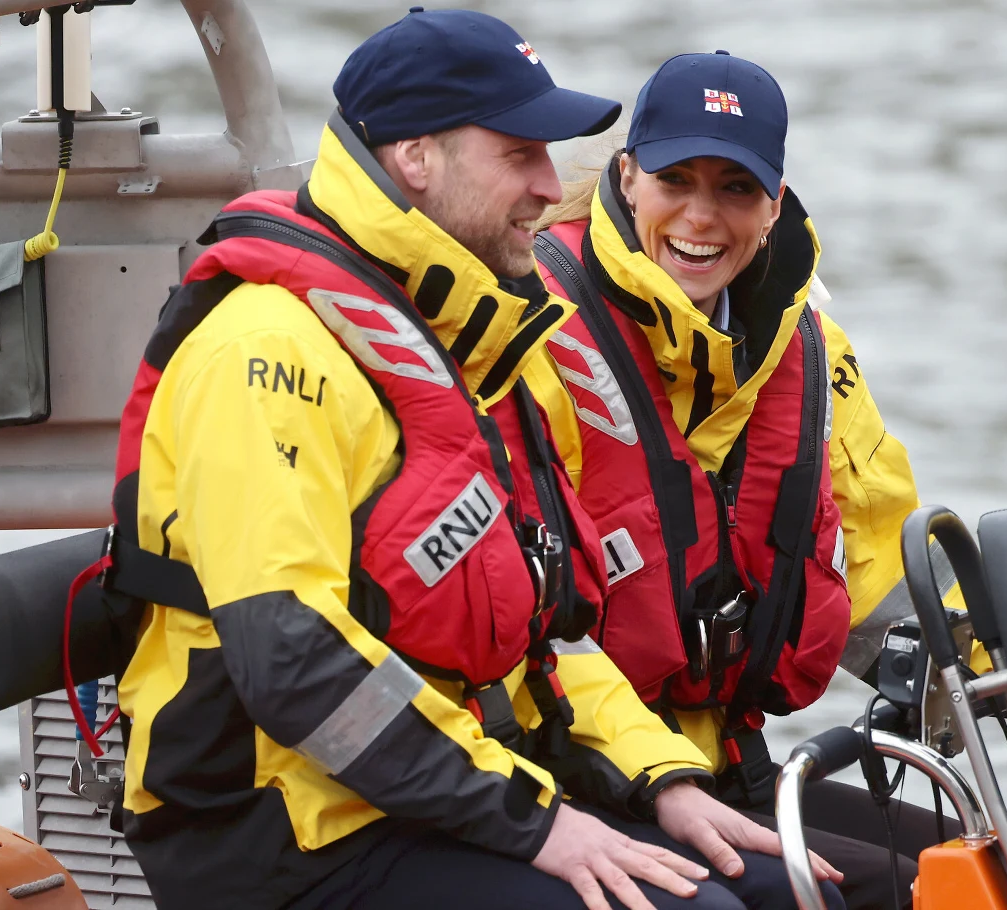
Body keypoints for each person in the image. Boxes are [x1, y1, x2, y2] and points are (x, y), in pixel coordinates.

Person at [107, 11, 845, 910]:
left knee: (783, 892)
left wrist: (662, 780)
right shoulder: (262, 354)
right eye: (520, 154)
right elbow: (296, 668)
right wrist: (536, 821)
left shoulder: (467, 338)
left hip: (431, 793)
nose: (549, 183)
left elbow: (547, 636)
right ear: (418, 159)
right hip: (279, 824)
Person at [528, 51, 960, 909]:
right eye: (675, 179)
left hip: (729, 758)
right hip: (572, 768)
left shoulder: (810, 347)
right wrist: (652, 774)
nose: (701, 215)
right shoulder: (534, 328)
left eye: (734, 188)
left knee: (974, 867)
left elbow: (877, 573)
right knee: (817, 896)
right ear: (625, 175)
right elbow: (524, 619)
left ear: (775, 203)